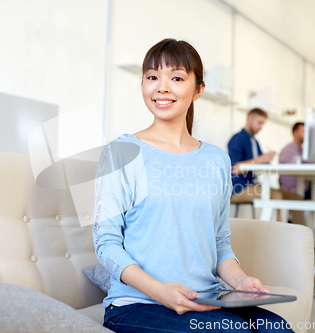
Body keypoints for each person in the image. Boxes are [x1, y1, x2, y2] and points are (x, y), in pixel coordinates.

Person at [94, 38, 294, 332]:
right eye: (152, 77)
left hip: (208, 298)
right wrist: (160, 291)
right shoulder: (121, 152)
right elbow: (106, 244)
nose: (162, 87)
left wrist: (241, 282)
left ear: (198, 89)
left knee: (277, 328)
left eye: (176, 78)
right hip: (137, 305)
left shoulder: (216, 160)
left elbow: (219, 242)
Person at [278, 122, 309, 225]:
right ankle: (303, 235)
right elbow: (288, 177)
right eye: (303, 131)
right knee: (298, 198)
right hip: (293, 190)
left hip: (305, 189)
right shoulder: (287, 151)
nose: (306, 134)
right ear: (294, 133)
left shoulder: (304, 151)